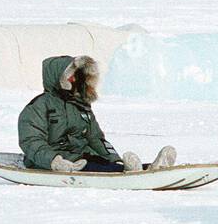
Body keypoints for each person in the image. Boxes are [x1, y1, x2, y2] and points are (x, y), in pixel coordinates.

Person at [18, 54, 176, 172]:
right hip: (51, 161)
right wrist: (55, 161)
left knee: (108, 165)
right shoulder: (38, 107)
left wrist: (115, 158)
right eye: (71, 77)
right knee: (100, 169)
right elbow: (31, 142)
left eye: (76, 76)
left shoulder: (80, 105)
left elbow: (96, 138)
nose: (75, 80)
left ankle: (151, 168)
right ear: (59, 78)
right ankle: (132, 172)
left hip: (82, 156)